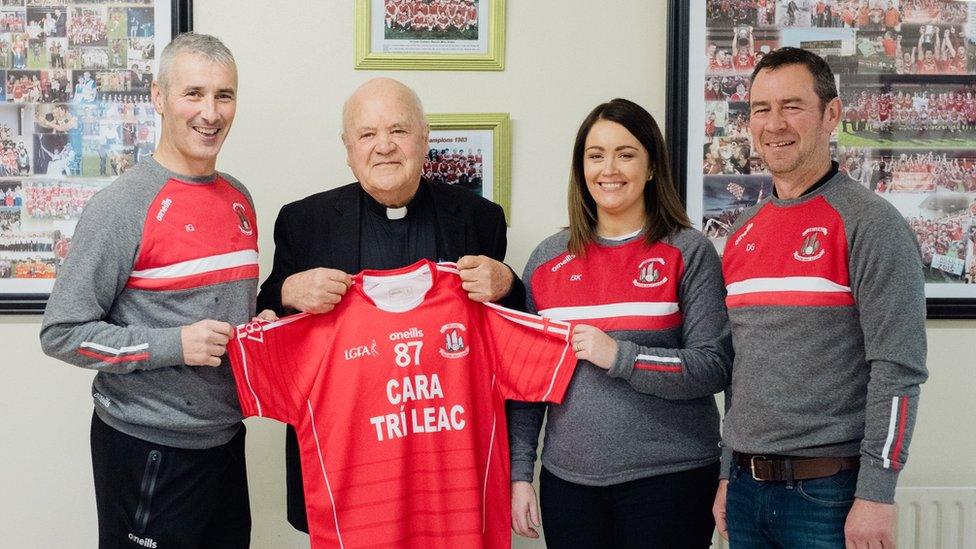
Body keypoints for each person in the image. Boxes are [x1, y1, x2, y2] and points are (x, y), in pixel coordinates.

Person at [257, 76, 526, 533]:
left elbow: (507, 335)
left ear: (424, 140)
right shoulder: (303, 221)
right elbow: (265, 311)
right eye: (367, 134)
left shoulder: (480, 218)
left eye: (398, 131)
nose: (384, 146)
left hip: (446, 462)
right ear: (348, 149)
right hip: (345, 459)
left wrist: (510, 284)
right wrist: (287, 292)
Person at [39, 33, 261, 548]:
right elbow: (61, 332)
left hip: (225, 444)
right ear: (159, 98)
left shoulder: (240, 198)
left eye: (224, 96)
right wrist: (172, 343)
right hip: (148, 449)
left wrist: (260, 326)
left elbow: (225, 310)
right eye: (194, 94)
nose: (211, 112)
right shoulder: (122, 205)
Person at [712, 47, 928, 548]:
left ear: (831, 114)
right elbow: (740, 369)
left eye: (792, 106)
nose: (774, 123)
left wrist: (878, 494)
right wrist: (728, 470)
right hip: (745, 491)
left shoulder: (871, 225)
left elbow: (899, 368)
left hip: (829, 496)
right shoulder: (743, 233)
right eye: (761, 109)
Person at [508, 98, 732, 548]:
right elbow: (527, 384)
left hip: (672, 478)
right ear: (581, 168)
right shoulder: (547, 261)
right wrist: (520, 475)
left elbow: (713, 367)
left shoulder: (688, 251)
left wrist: (622, 356)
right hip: (568, 483)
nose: (609, 169)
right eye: (596, 155)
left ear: (651, 167)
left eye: (625, 154)